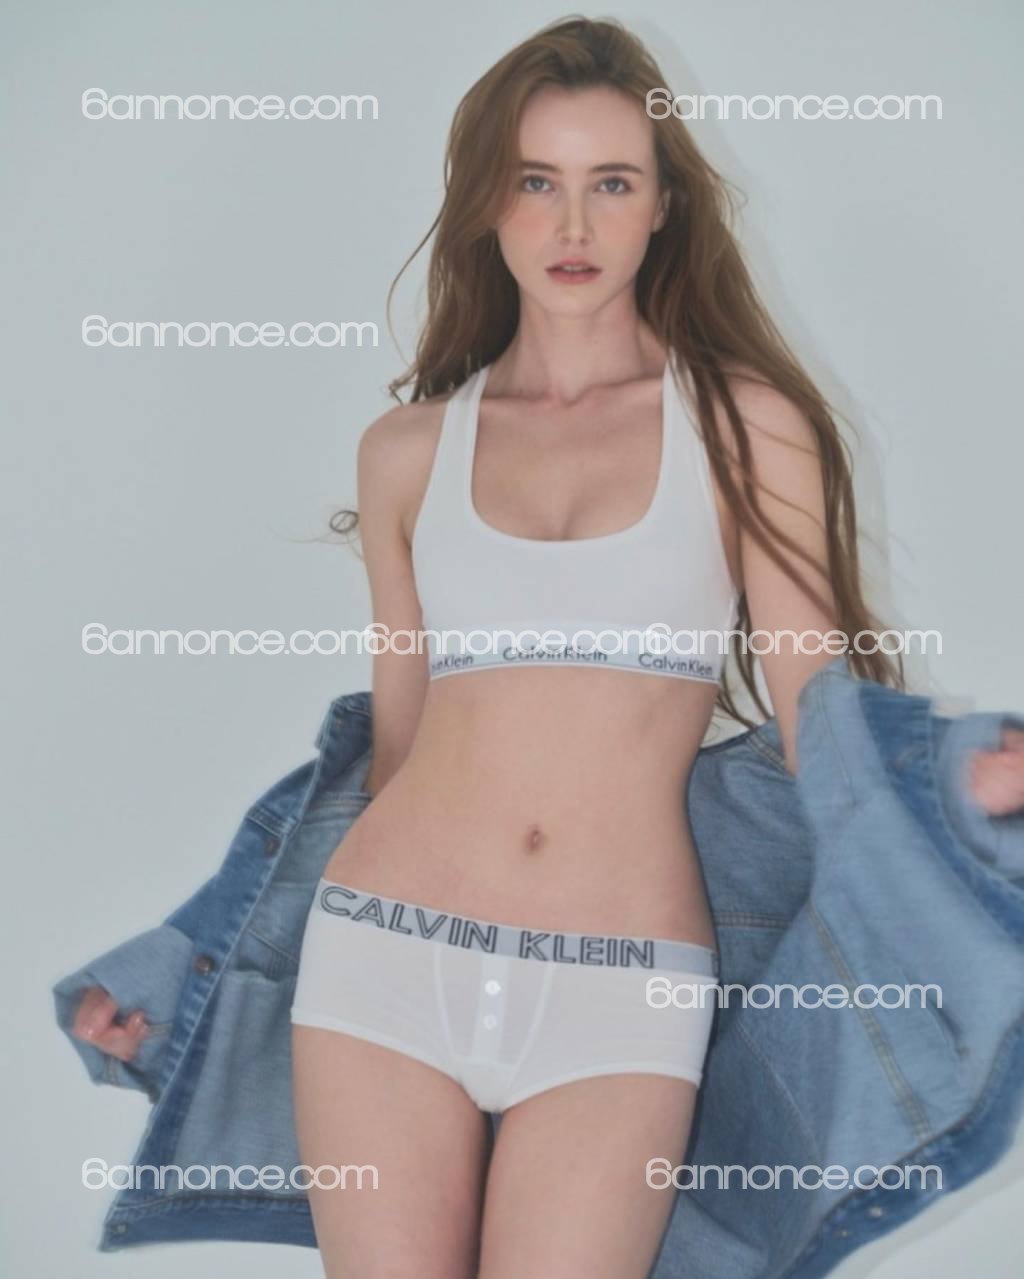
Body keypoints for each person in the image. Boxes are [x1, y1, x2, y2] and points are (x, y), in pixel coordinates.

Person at [71, 17, 1024, 1279]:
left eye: (610, 182)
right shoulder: (408, 451)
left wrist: (956, 786)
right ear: (485, 201)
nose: (572, 223)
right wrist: (186, 971)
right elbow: (386, 761)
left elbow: (819, 712)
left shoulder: (745, 430)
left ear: (663, 205)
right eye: (536, 180)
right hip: (382, 956)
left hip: (624, 989)